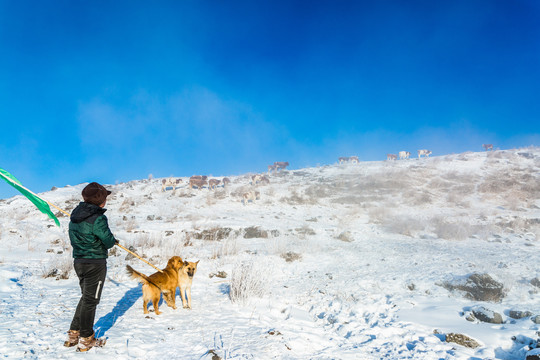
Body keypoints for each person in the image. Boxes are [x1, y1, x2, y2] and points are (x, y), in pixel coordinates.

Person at [64, 182, 117, 352]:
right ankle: (86, 339)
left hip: (79, 262)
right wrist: (112, 240)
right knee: (91, 300)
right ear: (100, 200)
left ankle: (74, 334)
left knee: (85, 298)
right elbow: (107, 241)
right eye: (105, 197)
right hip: (95, 263)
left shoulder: (75, 215)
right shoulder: (98, 218)